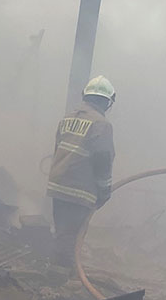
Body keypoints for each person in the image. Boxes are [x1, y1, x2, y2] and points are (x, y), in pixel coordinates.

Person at [47, 76, 116, 271]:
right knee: (71, 238)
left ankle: (57, 273)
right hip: (79, 190)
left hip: (58, 186)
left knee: (62, 233)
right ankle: (61, 279)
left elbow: (57, 149)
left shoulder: (67, 118)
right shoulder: (101, 124)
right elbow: (103, 159)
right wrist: (104, 191)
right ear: (108, 101)